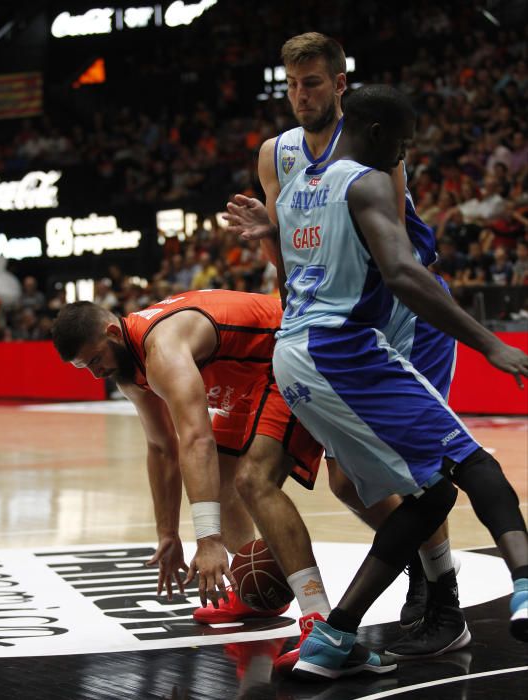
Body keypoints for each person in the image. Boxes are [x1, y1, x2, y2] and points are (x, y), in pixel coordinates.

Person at [235, 84, 528, 680]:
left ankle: (335, 635)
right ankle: (525, 583)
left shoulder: (292, 188)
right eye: (398, 143)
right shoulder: (363, 181)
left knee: (424, 494)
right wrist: (491, 342)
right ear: (372, 130)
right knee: (474, 463)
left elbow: (294, 271)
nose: (400, 157)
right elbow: (403, 273)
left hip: (293, 354)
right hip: (345, 347)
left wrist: (272, 233)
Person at [226, 31, 465, 667]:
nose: (301, 96)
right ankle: (421, 568)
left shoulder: (370, 141)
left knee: (423, 474)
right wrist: (268, 237)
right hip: (331, 328)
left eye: (313, 83)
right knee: (345, 483)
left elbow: (385, 253)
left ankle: (445, 599)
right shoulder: (274, 154)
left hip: (402, 318)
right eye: (292, 85)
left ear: (339, 86)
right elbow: (297, 258)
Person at [52, 291, 397, 676]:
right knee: (219, 482)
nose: (96, 373)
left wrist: (209, 539)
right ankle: (256, 591)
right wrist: (167, 533)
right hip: (250, 384)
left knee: (254, 482)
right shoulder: (129, 373)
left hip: (293, 351)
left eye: (96, 360)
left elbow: (195, 439)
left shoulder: (161, 346)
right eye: (85, 368)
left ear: (113, 332)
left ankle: (319, 621)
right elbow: (161, 448)